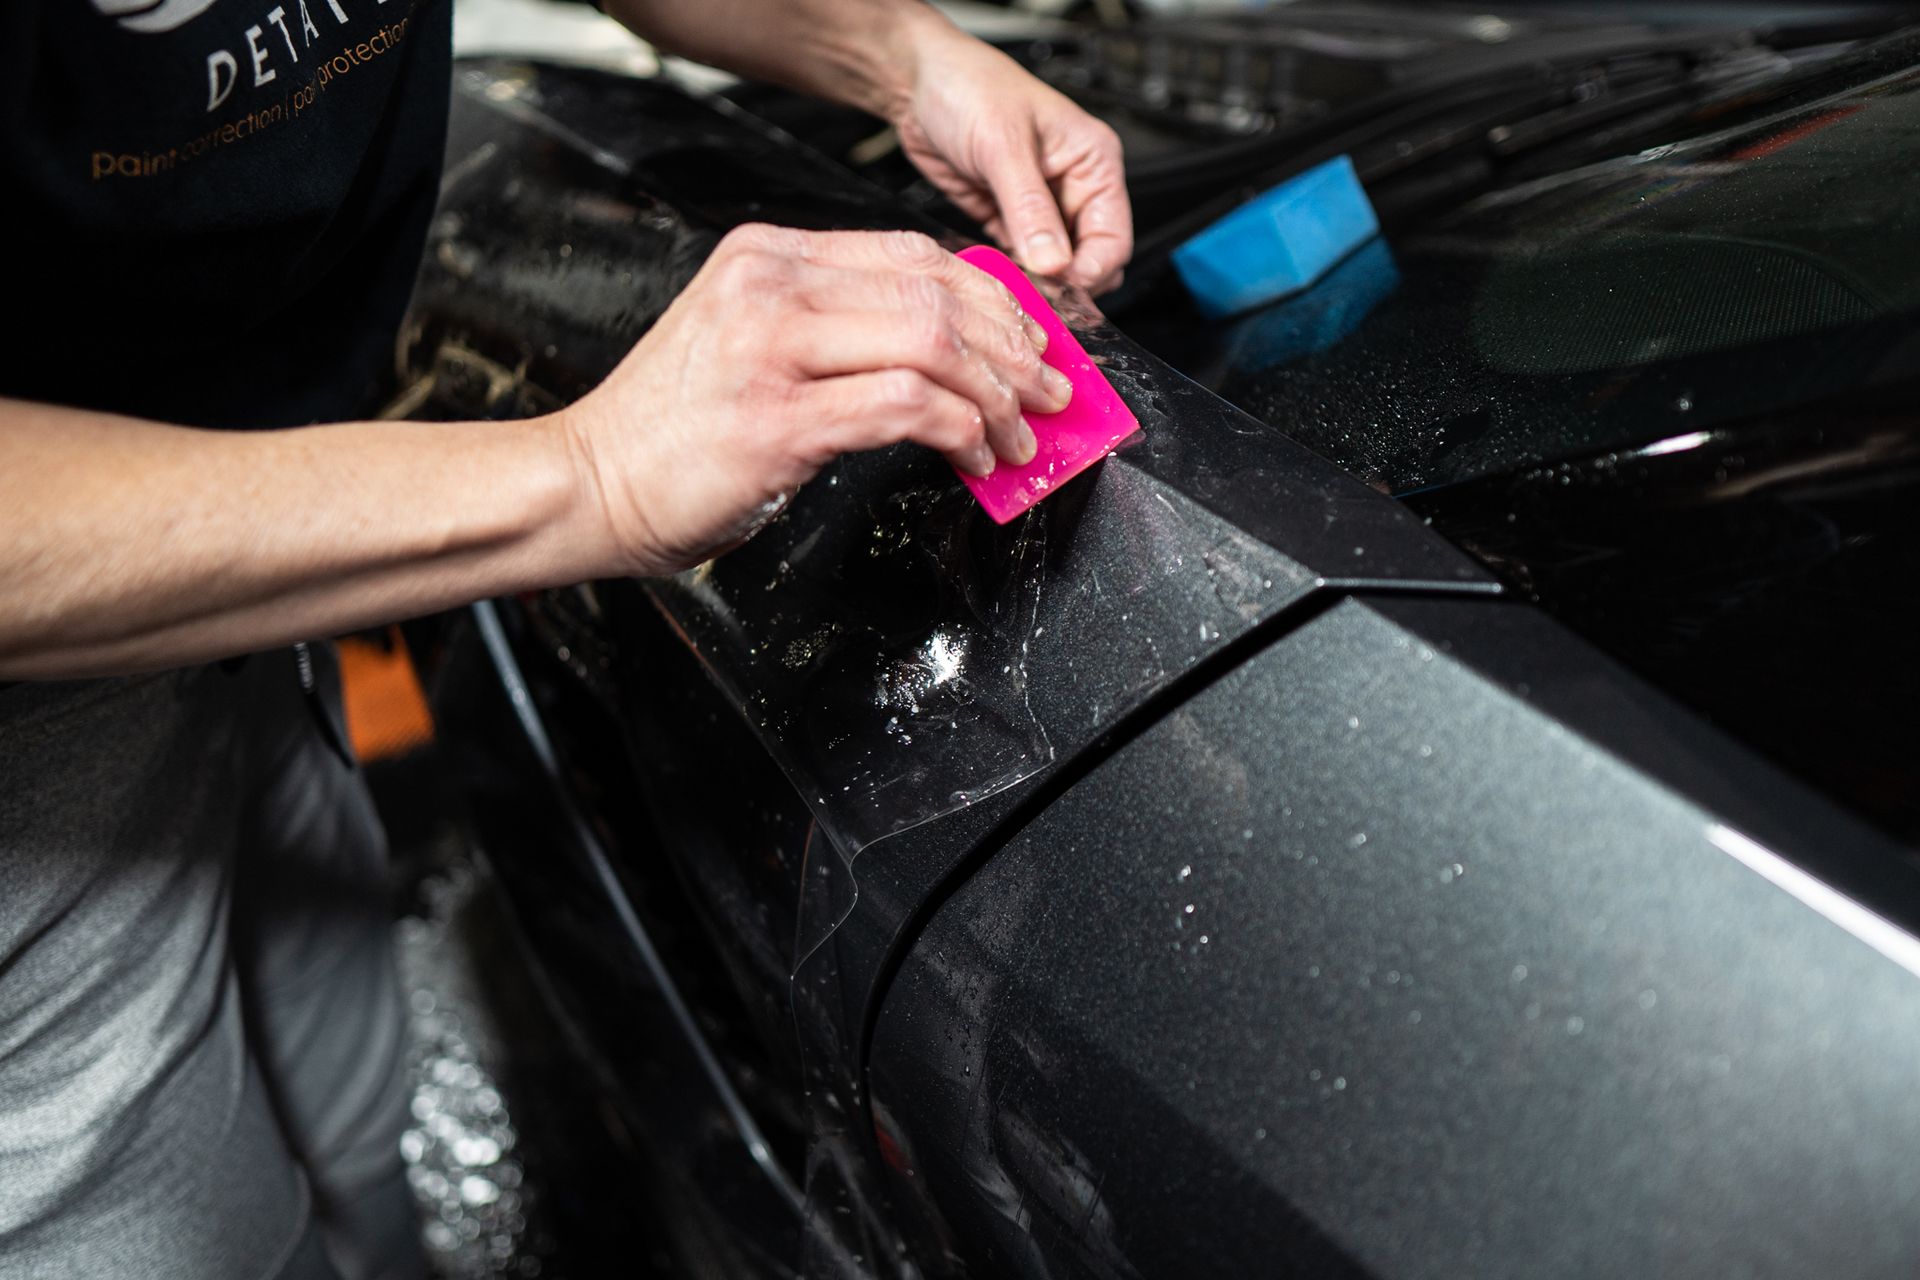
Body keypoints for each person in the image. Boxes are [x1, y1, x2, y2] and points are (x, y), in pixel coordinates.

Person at [0, 0, 1133, 1275]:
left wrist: (900, 54)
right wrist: (591, 474)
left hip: (243, 562)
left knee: (348, 1093)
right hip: (31, 751)